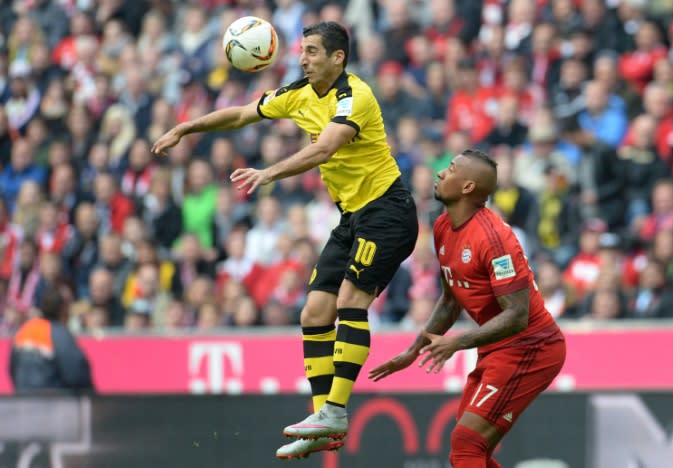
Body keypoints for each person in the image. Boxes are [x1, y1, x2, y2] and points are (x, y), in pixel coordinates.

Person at [150, 21, 419, 459]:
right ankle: (322, 423)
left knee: (351, 300)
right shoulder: (297, 94)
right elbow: (240, 113)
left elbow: (324, 149)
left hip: (388, 212)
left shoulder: (356, 96)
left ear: (338, 57)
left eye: (313, 51)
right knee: (314, 311)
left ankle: (335, 409)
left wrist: (269, 173)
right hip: (352, 217)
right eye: (302, 50)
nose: (302, 58)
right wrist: (187, 128)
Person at [369, 149, 566, 468]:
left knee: (467, 442)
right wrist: (414, 349)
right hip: (496, 347)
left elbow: (518, 315)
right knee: (470, 449)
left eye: (449, 169)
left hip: (532, 347)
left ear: (468, 187)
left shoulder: (495, 240)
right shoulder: (442, 226)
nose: (440, 173)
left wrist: (458, 342)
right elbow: (450, 299)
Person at [9, 288, 93, 393]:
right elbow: (76, 374)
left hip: (23, 400)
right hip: (50, 402)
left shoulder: (25, 330)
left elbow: (12, 368)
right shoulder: (58, 334)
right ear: (63, 309)